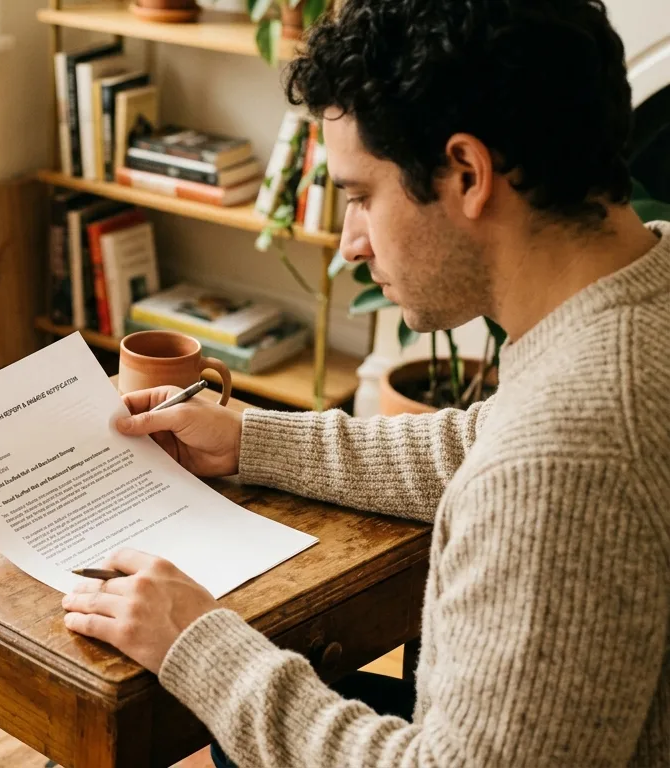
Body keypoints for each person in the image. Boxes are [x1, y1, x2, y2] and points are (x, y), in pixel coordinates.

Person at [58, 0, 670, 765]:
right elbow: (486, 439)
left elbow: (533, 463)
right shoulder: (644, 288)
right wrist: (249, 437)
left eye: (359, 196)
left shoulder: (561, 462)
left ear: (468, 173)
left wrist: (198, 642)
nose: (350, 244)